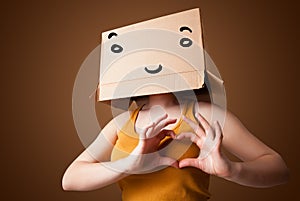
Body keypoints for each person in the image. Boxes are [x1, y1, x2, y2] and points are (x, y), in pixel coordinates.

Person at [62, 90, 289, 200]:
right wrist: (129, 163)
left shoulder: (207, 115)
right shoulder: (122, 122)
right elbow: (70, 179)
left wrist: (231, 169)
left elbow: (279, 169)